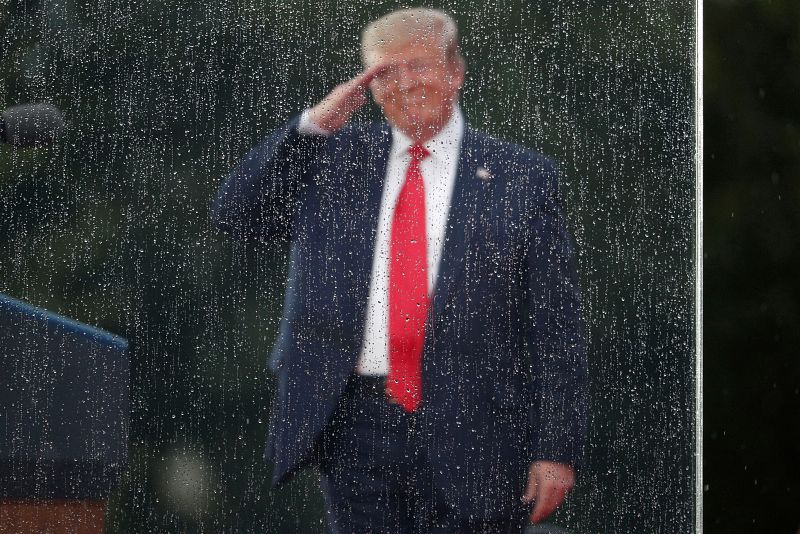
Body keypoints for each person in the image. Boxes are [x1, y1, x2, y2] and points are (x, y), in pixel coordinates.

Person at [212, 7, 587, 533]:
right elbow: (237, 216)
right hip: (354, 421)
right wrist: (311, 125)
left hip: (477, 424)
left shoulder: (521, 177)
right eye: (386, 72)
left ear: (455, 72)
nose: (404, 83)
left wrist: (557, 448)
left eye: (419, 66)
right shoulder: (336, 158)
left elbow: (556, 325)